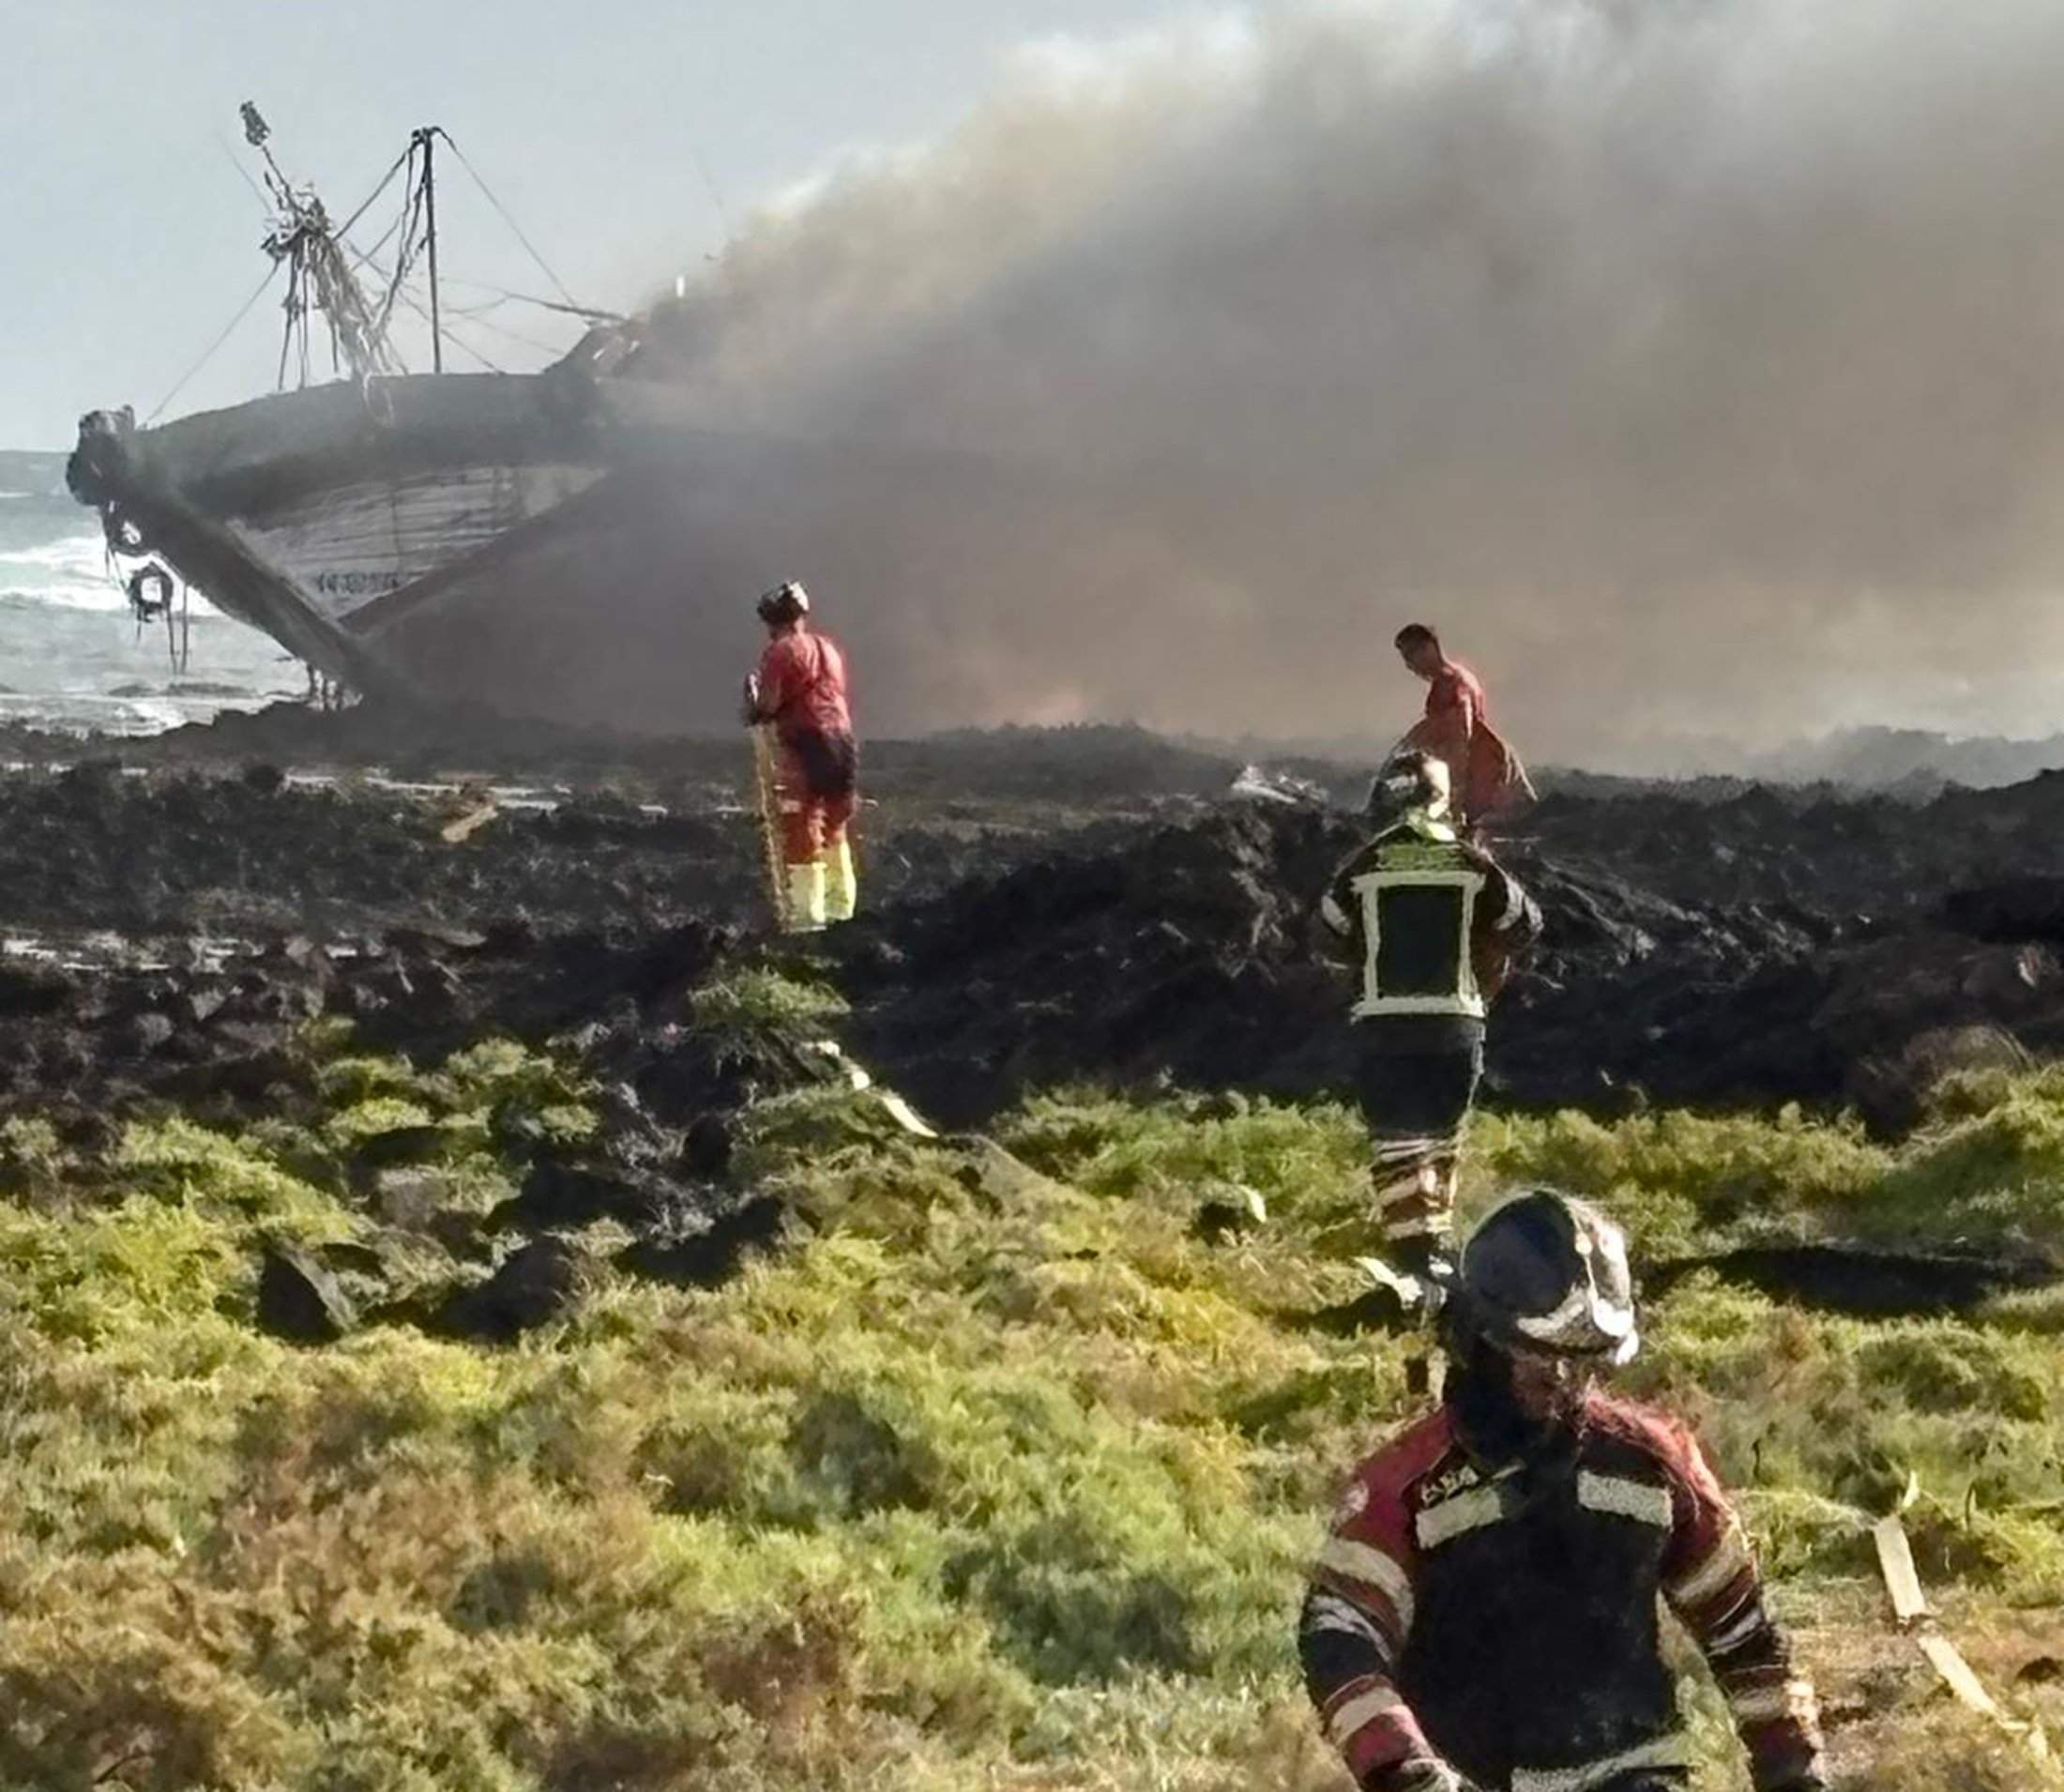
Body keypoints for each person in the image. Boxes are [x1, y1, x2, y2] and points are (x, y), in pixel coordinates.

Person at [1299, 1190, 1828, 1792]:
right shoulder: (1405, 1486)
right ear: (1480, 1341)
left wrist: (1794, 1770)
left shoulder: (1653, 1463)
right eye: (1542, 1358)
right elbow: (1342, 1637)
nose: (1564, 1381)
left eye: (1584, 1362)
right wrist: (1408, 1771)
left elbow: (1746, 1633)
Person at [1320, 751, 1540, 1289]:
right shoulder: (1470, 864)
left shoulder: (1363, 865)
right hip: (1454, 1022)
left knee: (1397, 1143)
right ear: (1443, 798)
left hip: (1384, 1023)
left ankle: (1415, 1261)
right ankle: (1436, 1259)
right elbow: (1524, 923)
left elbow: (1327, 931)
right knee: (1441, 1140)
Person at [740, 580, 857, 931]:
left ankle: (807, 917)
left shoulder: (781, 652)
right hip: (842, 738)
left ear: (771, 620)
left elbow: (768, 705)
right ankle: (841, 909)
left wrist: (752, 704)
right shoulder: (828, 649)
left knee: (803, 821)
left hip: (807, 739)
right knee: (836, 820)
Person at [1393, 624, 1532, 835]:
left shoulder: (1452, 684)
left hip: (1484, 771)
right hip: (1484, 765)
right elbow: (1436, 728)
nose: (1409, 666)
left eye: (1411, 655)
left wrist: (1455, 802)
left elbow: (1461, 738)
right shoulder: (1454, 679)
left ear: (1430, 647)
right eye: (1406, 658)